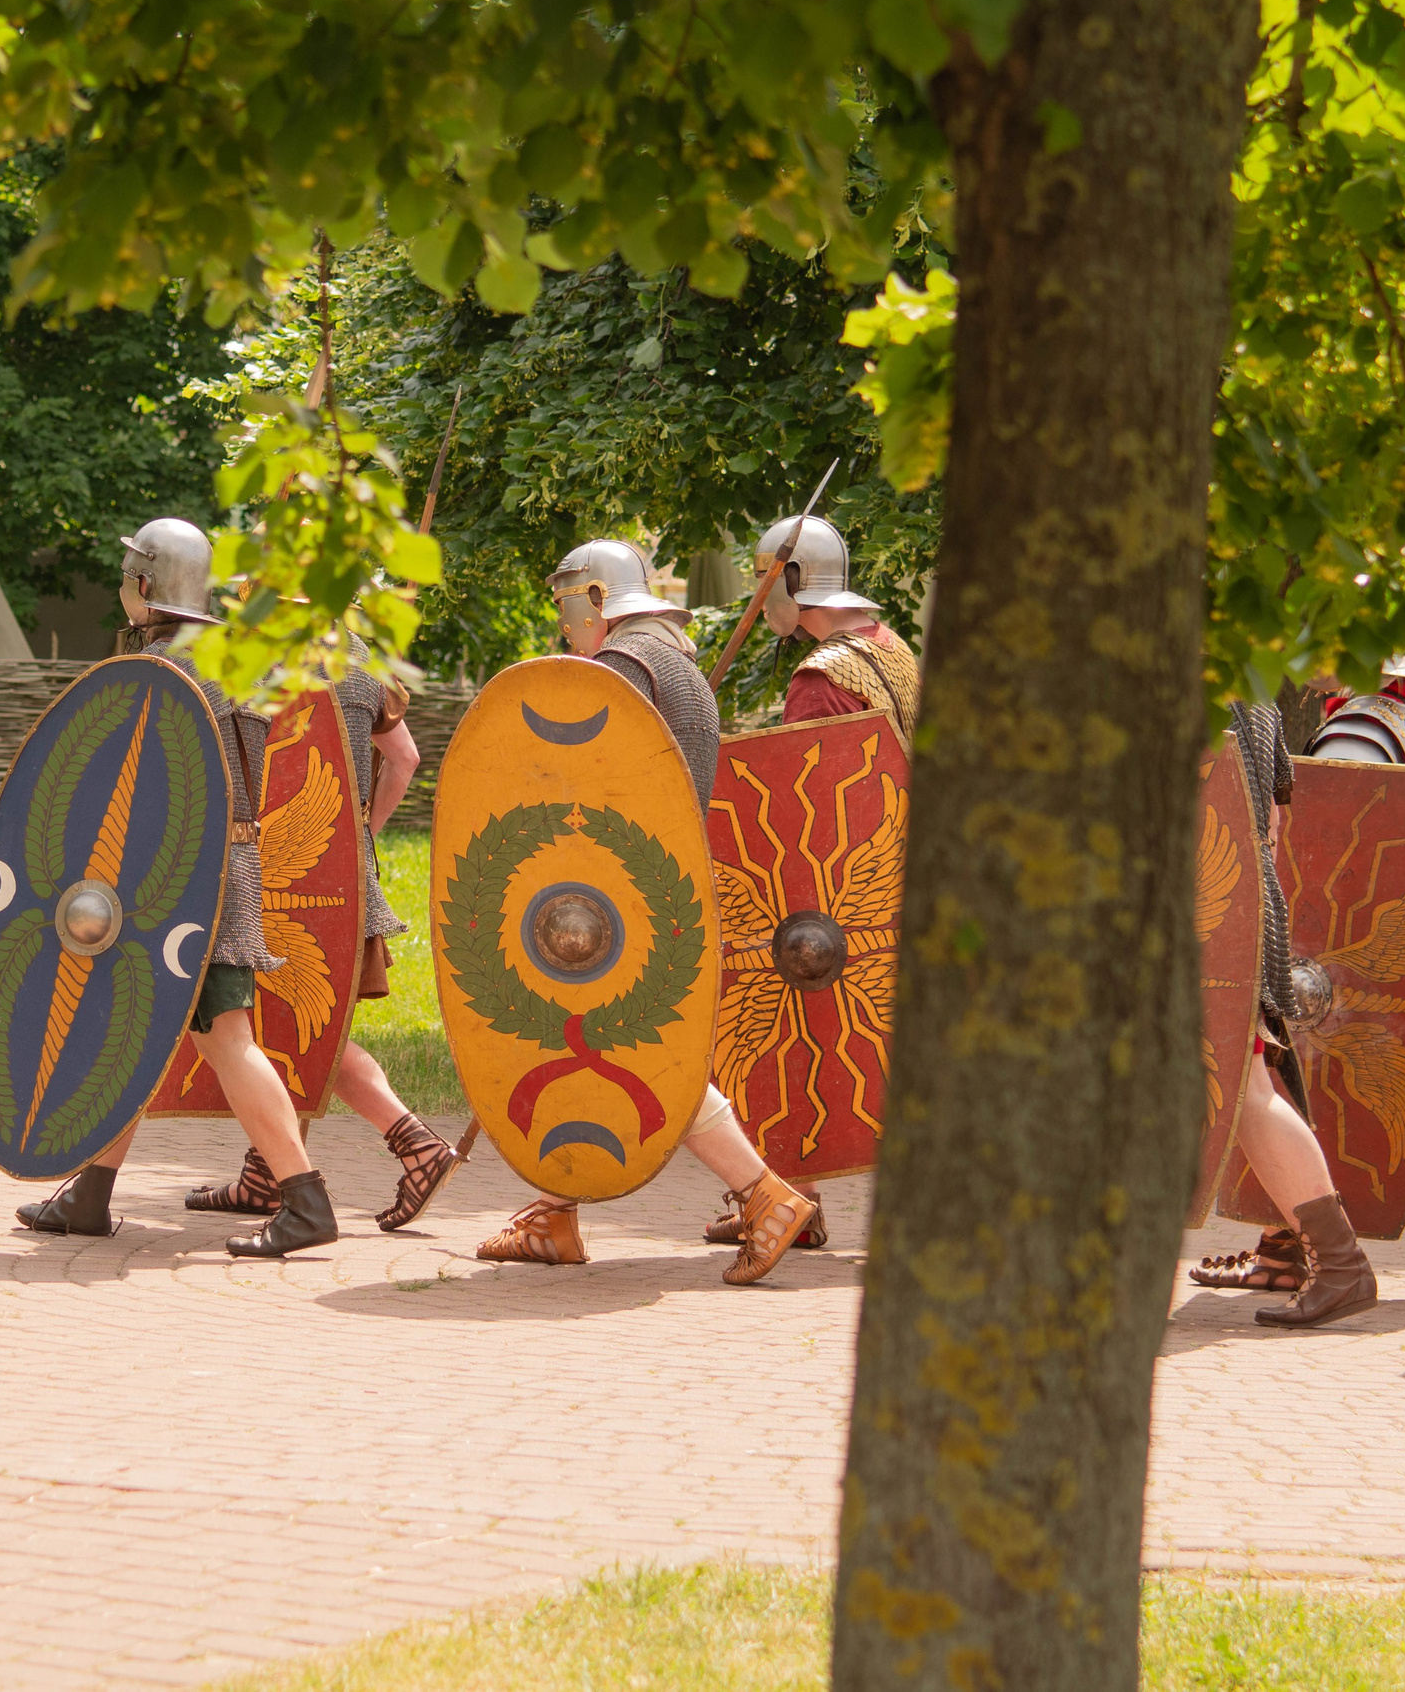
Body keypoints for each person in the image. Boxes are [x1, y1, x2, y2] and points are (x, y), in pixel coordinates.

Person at [473, 538, 818, 1285]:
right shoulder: (681, 670)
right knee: (577, 1042)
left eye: (567, 605)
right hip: (651, 895)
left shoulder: (623, 667)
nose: (564, 626)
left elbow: (581, 785)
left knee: (637, 1057)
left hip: (613, 906)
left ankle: (764, 1197)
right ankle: (553, 1213)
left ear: (595, 599)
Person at [14, 517, 343, 1257]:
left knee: (226, 1038)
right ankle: (91, 1193)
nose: (122, 588)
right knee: (132, 1031)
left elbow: (136, 790)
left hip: (183, 882)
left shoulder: (166, 668)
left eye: (129, 575)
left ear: (148, 585)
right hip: (214, 869)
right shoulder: (229, 661)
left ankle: (305, 1197)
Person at [1191, 664, 1405, 1311]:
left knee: (1269, 1087)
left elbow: (1318, 842)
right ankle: (1294, 1247)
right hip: (1383, 943)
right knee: (1272, 1082)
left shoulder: (1354, 729)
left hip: (1319, 945)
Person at [694, 513, 925, 1254]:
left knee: (791, 1032)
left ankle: (790, 1196)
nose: (763, 606)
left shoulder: (823, 675)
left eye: (768, 584)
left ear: (791, 582)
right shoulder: (895, 650)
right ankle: (795, 1190)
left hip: (837, 892)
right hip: (895, 874)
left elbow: (804, 808)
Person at [184, 638, 467, 1231]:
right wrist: (358, 838)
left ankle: (414, 1144)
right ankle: (267, 1176)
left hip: (272, 872)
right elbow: (406, 758)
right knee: (290, 1026)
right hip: (340, 874)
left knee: (300, 1031)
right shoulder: (366, 657)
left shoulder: (253, 654)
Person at [756, 514, 922, 744]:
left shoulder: (819, 677)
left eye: (764, 584)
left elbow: (807, 775)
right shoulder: (893, 644)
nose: (761, 600)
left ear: (785, 583)